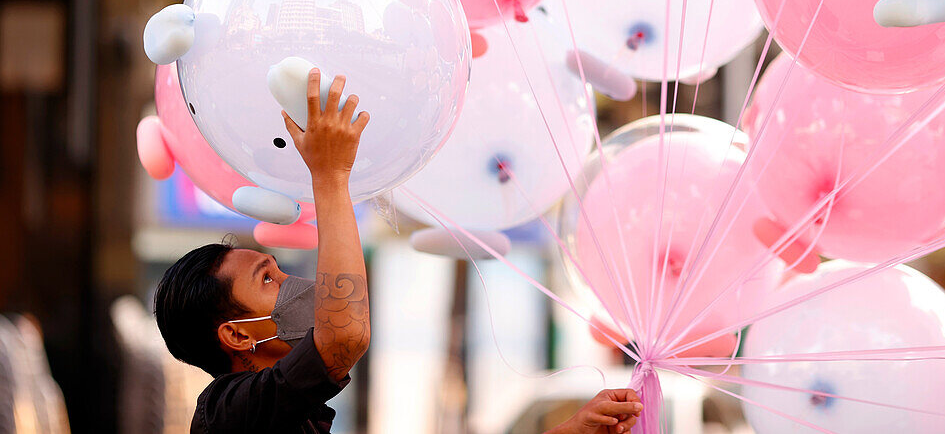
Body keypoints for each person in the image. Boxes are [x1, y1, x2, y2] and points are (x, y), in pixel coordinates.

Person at [154, 70, 643, 434]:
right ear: (237, 334)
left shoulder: (294, 412)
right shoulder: (229, 412)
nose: (292, 283)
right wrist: (329, 175)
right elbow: (343, 337)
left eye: (277, 269)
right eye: (267, 279)